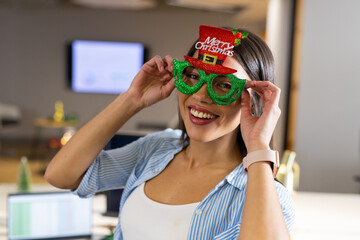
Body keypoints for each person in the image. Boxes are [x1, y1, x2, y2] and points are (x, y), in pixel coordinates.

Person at [45, 25, 295, 240]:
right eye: (193, 75)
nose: (199, 95)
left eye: (224, 85)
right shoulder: (156, 149)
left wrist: (259, 147)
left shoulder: (264, 194)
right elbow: (60, 175)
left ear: (255, 99)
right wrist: (132, 100)